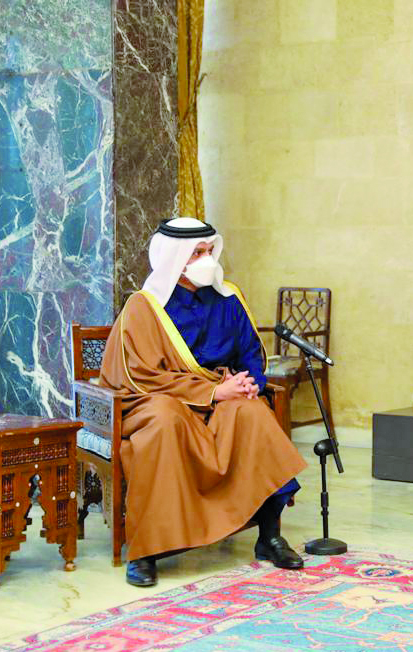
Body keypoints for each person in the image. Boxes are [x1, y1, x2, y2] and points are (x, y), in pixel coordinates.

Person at [99, 217, 308, 587]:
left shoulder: (228, 298)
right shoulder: (144, 308)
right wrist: (211, 392)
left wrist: (247, 385)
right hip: (158, 400)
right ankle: (146, 551)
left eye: (209, 250)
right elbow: (143, 376)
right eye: (197, 252)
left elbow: (251, 356)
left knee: (252, 413)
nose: (207, 258)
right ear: (174, 258)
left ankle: (270, 536)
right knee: (165, 422)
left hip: (221, 396)